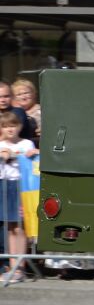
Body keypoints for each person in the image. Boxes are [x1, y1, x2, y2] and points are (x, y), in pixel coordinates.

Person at [0, 110, 37, 283]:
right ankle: (12, 264)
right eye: (5, 126)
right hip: (5, 185)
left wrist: (30, 153)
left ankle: (20, 267)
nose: (9, 130)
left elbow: (31, 156)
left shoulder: (26, 143)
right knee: (9, 226)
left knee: (20, 227)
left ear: (20, 127)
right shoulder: (1, 144)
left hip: (21, 186)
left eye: (13, 126)